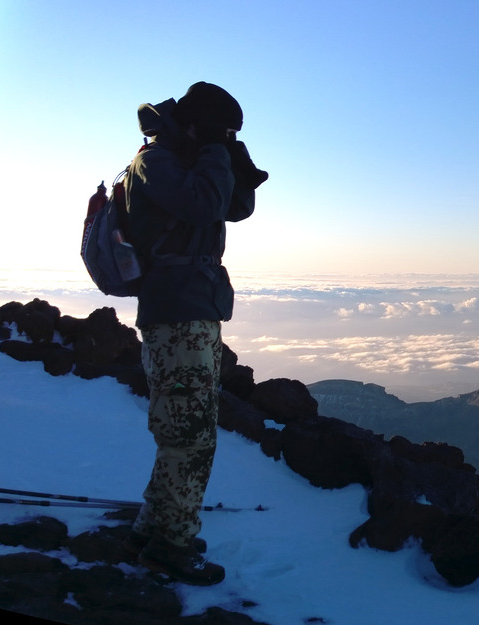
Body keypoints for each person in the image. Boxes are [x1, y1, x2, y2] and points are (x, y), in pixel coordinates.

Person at [124, 81, 266, 586]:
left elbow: (235, 208)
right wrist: (212, 151)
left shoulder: (188, 160)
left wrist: (233, 163)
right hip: (174, 312)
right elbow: (205, 205)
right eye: (220, 129)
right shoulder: (156, 162)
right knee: (191, 437)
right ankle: (172, 547)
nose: (225, 138)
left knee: (185, 432)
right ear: (196, 123)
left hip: (194, 308)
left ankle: (154, 528)